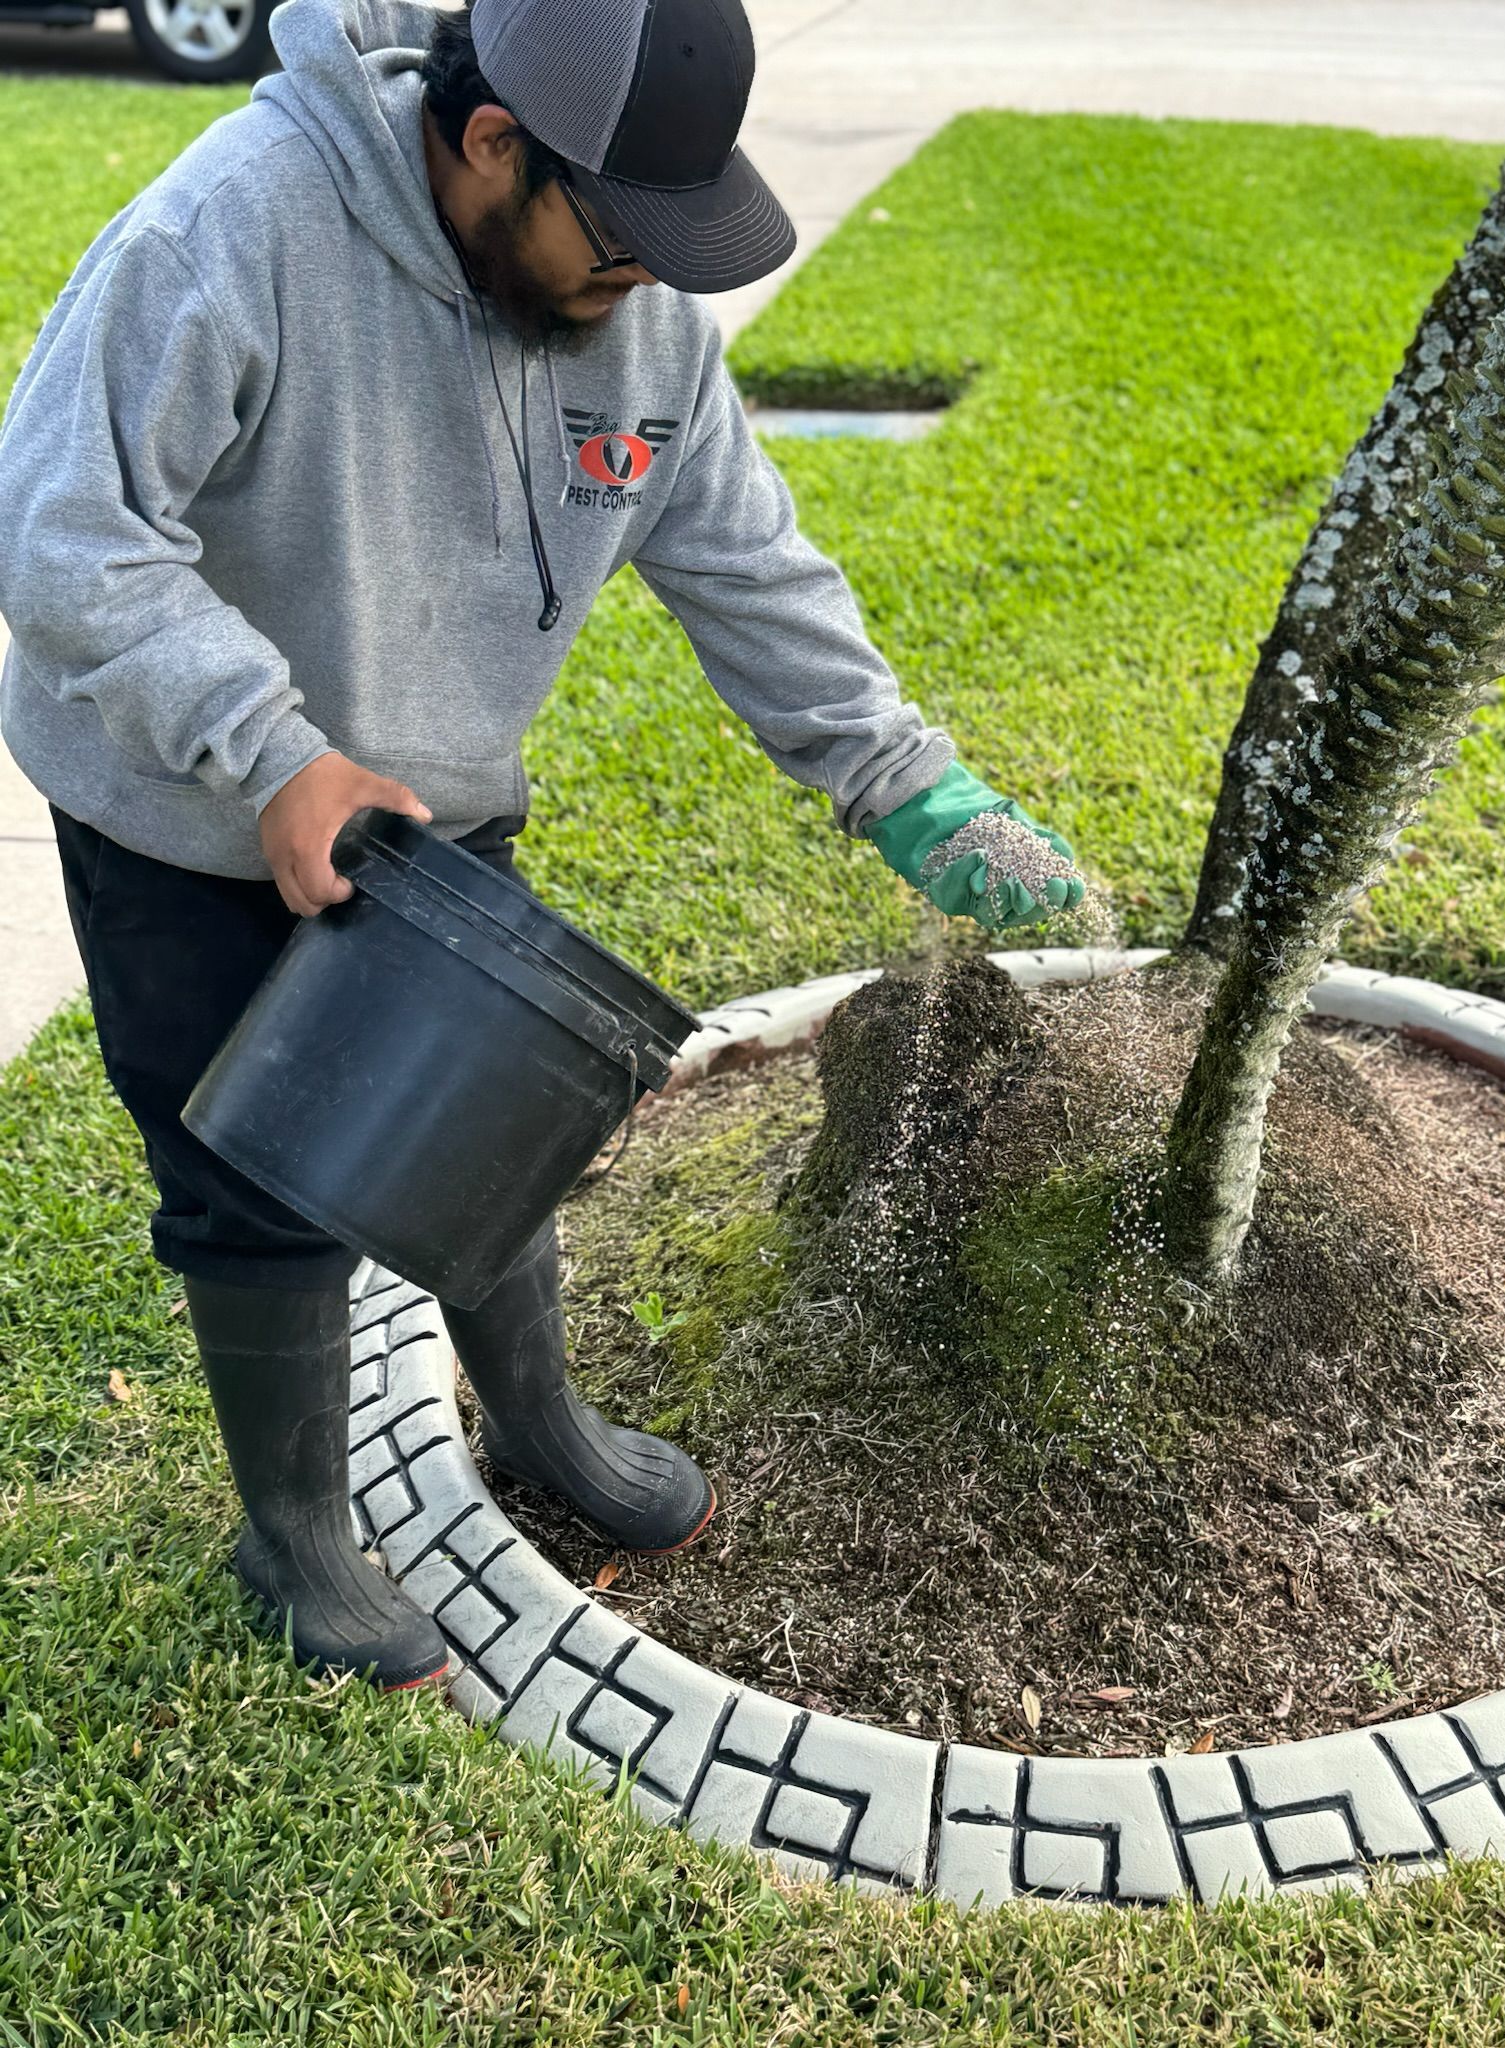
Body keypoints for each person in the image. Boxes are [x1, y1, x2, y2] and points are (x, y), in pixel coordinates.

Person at [0, 0, 1084, 1694]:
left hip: (434, 810)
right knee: (253, 1188)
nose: (645, 280)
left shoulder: (632, 318)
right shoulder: (234, 225)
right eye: (622, 236)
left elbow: (745, 562)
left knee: (483, 1127)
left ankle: (543, 1422)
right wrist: (271, 754)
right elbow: (60, 529)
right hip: (187, 817)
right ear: (494, 142)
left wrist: (907, 784)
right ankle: (293, 1532)